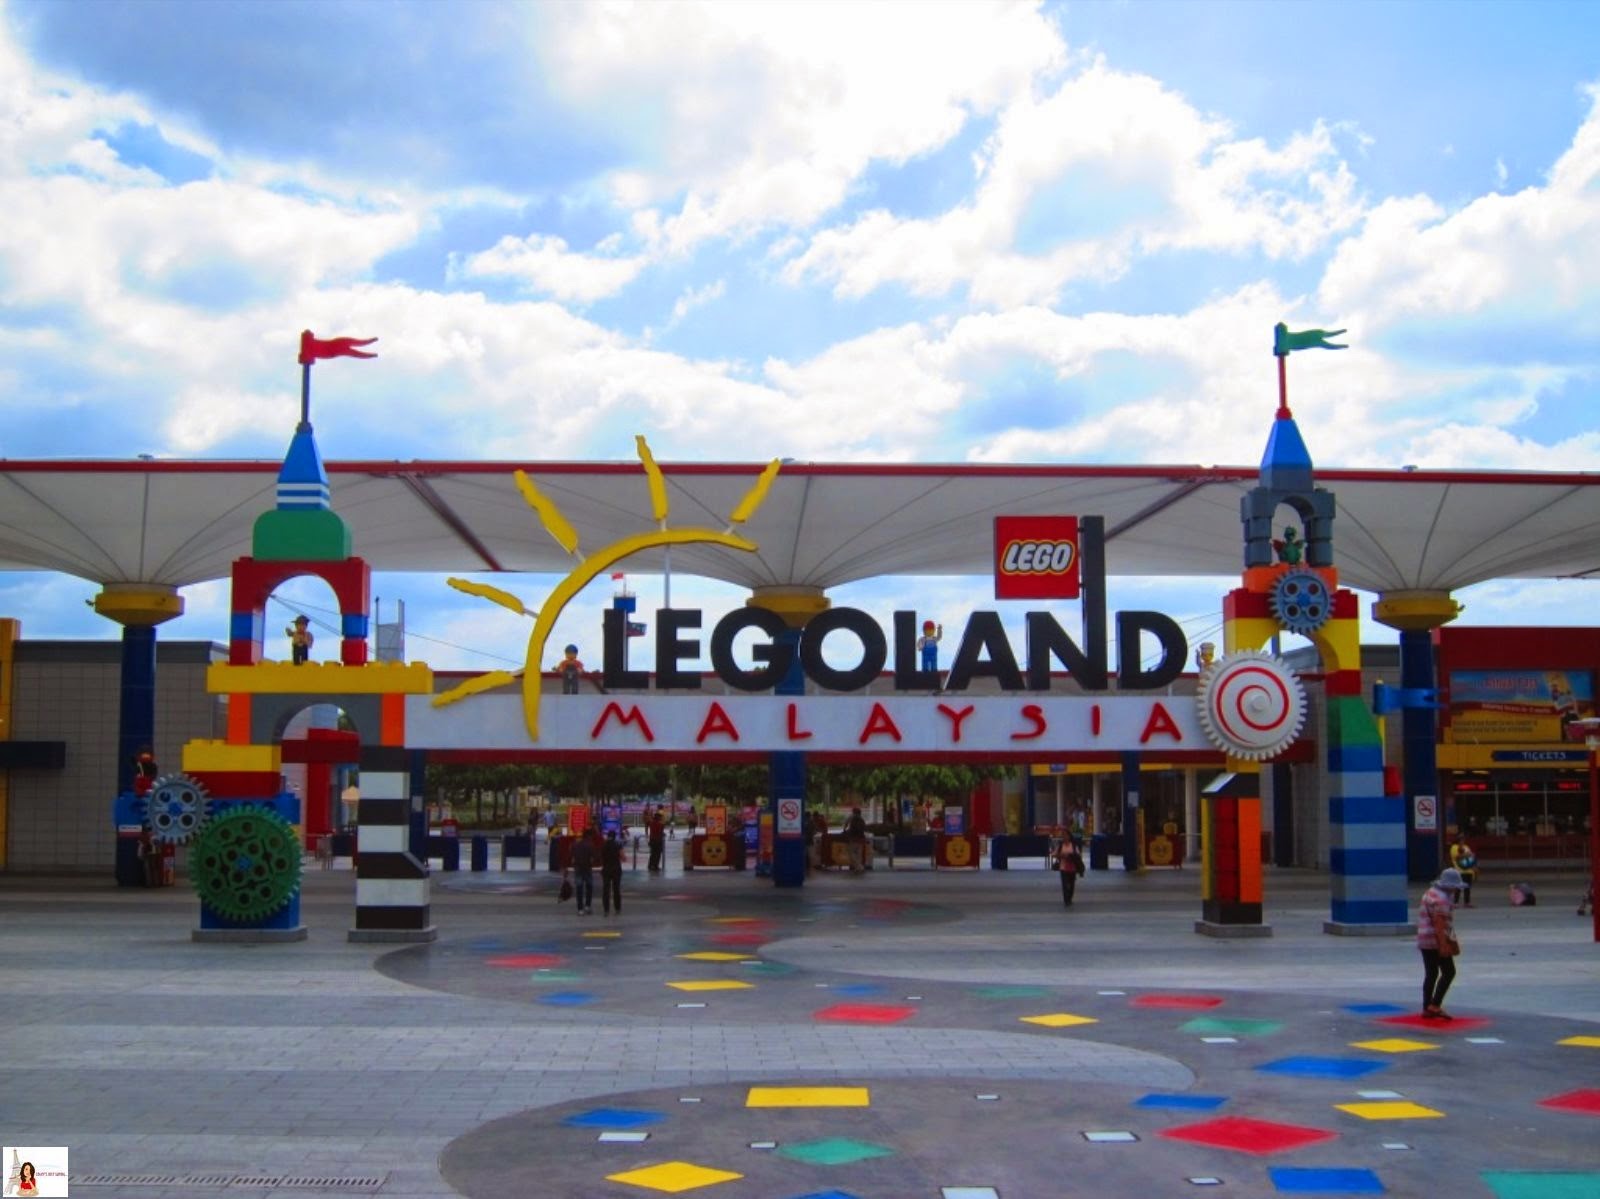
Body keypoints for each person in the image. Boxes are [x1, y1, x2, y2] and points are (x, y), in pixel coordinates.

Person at [1417, 866, 1465, 1019]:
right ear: (1450, 886)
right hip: (1435, 940)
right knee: (1449, 972)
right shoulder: (1442, 899)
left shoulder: (1430, 893)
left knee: (1431, 973)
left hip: (1424, 938)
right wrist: (1444, 945)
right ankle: (1435, 1005)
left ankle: (1427, 1007)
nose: (1456, 891)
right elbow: (1439, 923)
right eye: (1455, 887)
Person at [569, 828, 596, 915]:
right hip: (587, 869)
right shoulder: (590, 845)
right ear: (588, 836)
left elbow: (571, 856)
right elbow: (593, 858)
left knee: (579, 888)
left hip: (578, 868)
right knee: (589, 887)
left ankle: (580, 909)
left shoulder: (575, 844)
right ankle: (587, 906)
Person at [1449, 832, 1478, 906]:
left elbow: (1471, 857)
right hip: (1459, 870)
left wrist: (1474, 867)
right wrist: (1467, 855)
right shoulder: (1454, 847)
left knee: (1467, 887)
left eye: (1463, 838)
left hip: (1469, 870)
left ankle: (1467, 902)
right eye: (1460, 838)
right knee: (1458, 887)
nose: (1462, 840)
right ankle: (1455, 902)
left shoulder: (1466, 847)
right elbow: (1456, 857)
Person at [1055, 836, 1084, 907]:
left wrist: (1071, 856)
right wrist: (1061, 855)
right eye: (1063, 836)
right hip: (1063, 867)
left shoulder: (1073, 845)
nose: (1065, 838)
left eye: (1066, 836)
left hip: (1072, 867)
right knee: (1064, 884)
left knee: (1071, 884)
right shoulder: (1061, 845)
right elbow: (1054, 854)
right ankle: (1066, 900)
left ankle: (1070, 897)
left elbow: (1078, 855)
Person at [600, 828, 623, 916]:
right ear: (614, 836)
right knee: (616, 889)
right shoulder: (618, 845)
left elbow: (601, 857)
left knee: (606, 890)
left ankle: (606, 910)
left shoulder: (603, 845)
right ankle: (617, 908)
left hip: (606, 869)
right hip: (616, 869)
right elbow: (623, 857)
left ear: (608, 836)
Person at [842, 805, 868, 875]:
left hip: (853, 838)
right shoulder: (861, 819)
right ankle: (858, 867)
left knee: (851, 852)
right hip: (861, 838)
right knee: (858, 854)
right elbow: (865, 828)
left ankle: (859, 867)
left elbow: (846, 824)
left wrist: (844, 830)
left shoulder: (851, 817)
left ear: (853, 812)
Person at [647, 808, 666, 872]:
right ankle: (655, 865)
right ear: (658, 818)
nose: (661, 818)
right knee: (657, 854)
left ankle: (650, 865)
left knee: (652, 853)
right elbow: (661, 832)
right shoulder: (660, 824)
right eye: (660, 817)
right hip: (658, 841)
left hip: (652, 840)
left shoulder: (651, 823)